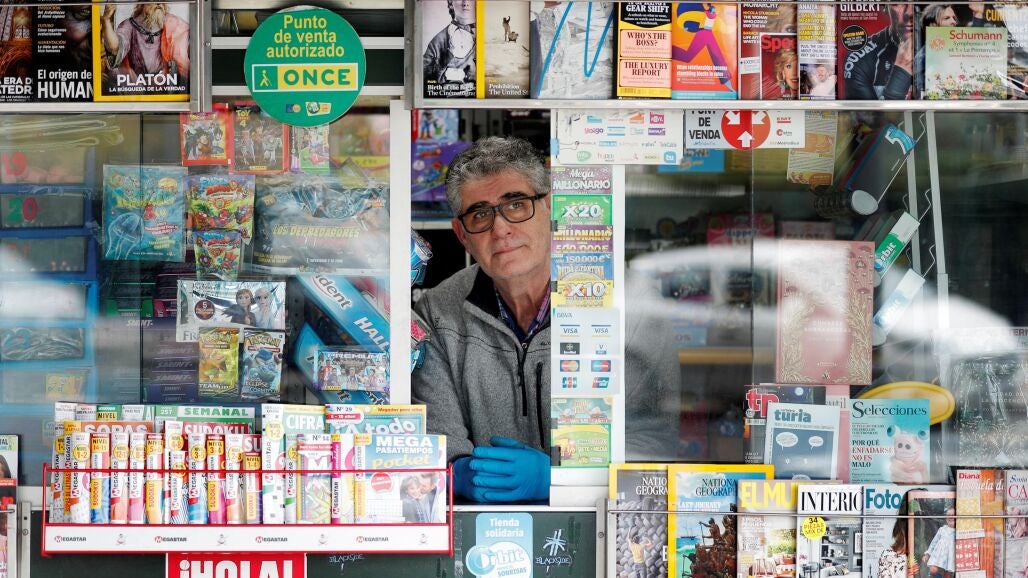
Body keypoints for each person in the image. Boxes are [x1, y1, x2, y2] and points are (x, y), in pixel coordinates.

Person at [412, 136, 553, 503]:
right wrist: (456, 472)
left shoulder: (621, 304)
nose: (500, 228)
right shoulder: (436, 313)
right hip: (479, 527)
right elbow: (437, 441)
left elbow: (650, 440)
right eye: (480, 214)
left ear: (550, 207)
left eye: (517, 205)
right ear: (462, 235)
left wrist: (559, 478)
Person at [99, 3, 189, 92]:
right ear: (141, 5)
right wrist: (106, 20)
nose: (159, 3)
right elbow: (115, 48)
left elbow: (189, 44)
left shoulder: (173, 23)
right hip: (136, 88)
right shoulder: (129, 25)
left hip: (166, 87)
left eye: (161, 1)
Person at [843, 2, 914, 100]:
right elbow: (868, 110)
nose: (910, 13)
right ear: (885, 7)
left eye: (920, 2)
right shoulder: (859, 59)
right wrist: (901, 73)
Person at [423, 0, 476, 88]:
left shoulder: (488, 37)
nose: (466, 3)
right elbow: (423, 79)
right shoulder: (438, 42)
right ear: (451, 3)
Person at [922, 507, 956, 578]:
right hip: (938, 555)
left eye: (953, 515)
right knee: (933, 570)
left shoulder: (957, 531)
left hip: (950, 556)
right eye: (948, 515)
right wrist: (928, 554)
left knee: (948, 574)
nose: (950, 517)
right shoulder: (942, 529)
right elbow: (934, 542)